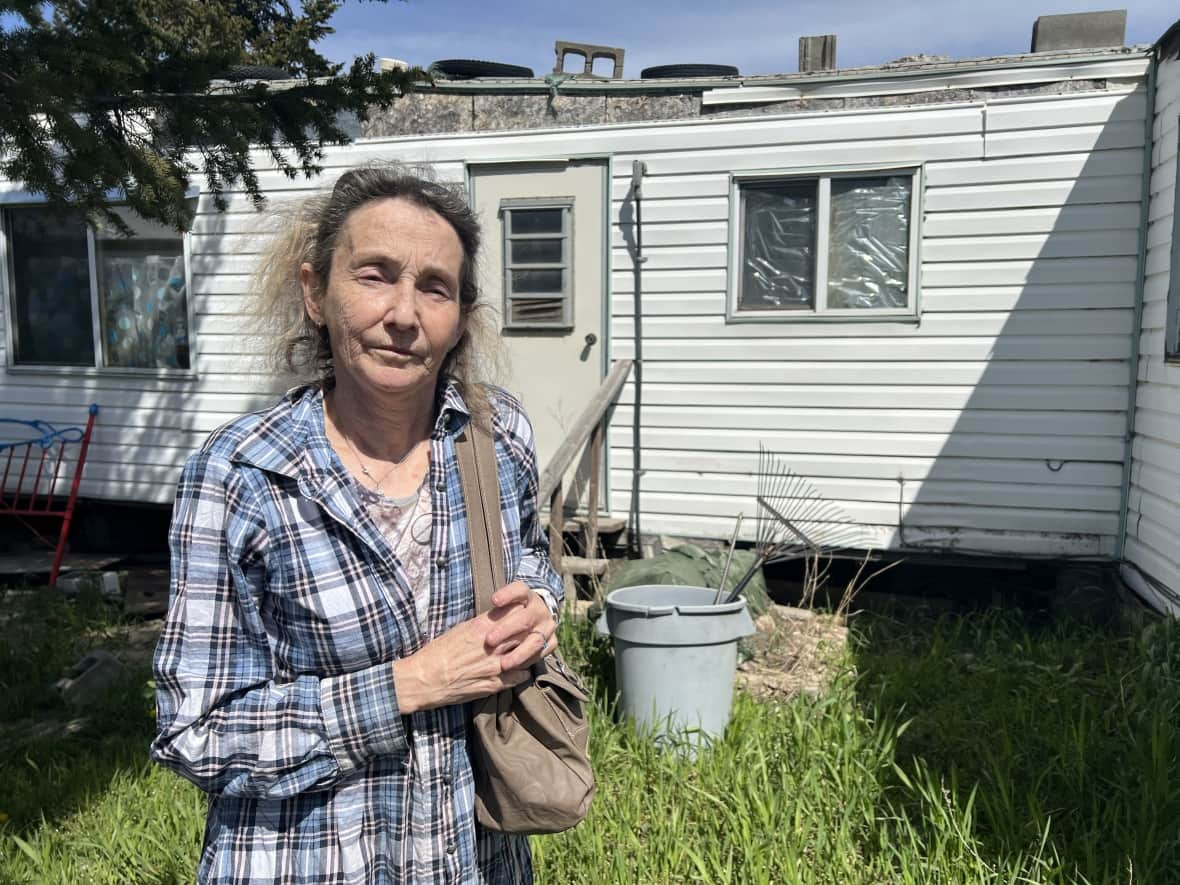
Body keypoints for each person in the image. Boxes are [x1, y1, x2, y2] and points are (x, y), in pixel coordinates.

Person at [151, 165, 563, 885]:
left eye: (435, 287)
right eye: (375, 275)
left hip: (476, 859)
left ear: (461, 317)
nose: (404, 313)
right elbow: (196, 731)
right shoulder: (243, 476)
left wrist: (538, 604)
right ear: (316, 293)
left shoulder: (495, 437)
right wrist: (405, 685)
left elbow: (531, 556)